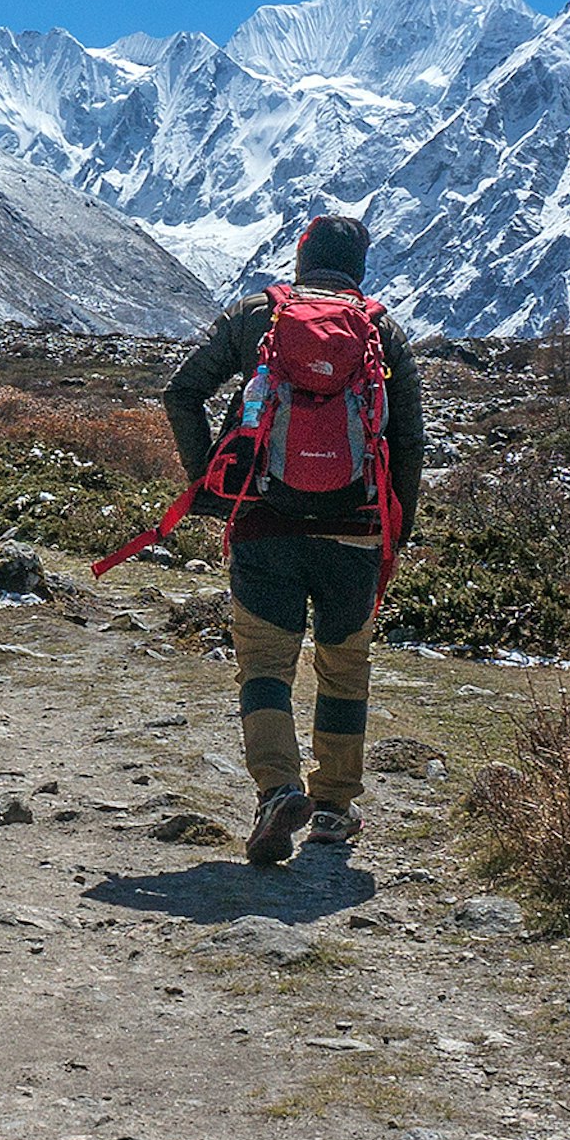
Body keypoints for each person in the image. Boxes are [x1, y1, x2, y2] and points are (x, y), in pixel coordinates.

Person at [162, 213, 423, 865]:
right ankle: (333, 808)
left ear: (301, 258)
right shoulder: (382, 332)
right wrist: (397, 528)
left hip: (264, 520)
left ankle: (278, 788)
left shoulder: (257, 316)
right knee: (343, 665)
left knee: (267, 665)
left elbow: (182, 390)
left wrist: (211, 480)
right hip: (356, 528)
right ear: (359, 268)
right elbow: (409, 441)